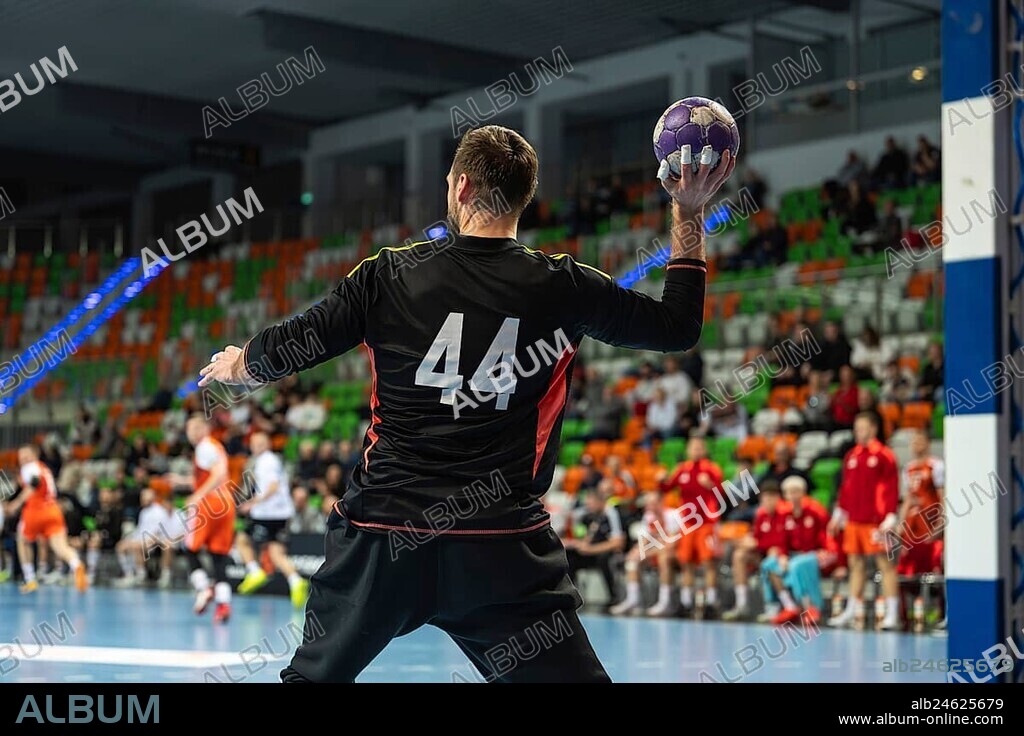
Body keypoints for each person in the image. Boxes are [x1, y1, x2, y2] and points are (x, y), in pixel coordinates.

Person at [199, 124, 733, 683]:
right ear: (525, 197)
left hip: (385, 535)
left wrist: (242, 362)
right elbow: (677, 328)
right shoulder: (564, 286)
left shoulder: (389, 274)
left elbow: (299, 341)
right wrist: (688, 210)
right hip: (500, 545)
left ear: (460, 188)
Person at [827, 413, 900, 630]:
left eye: (862, 428)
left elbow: (891, 486)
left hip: (875, 522)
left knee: (885, 565)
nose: (858, 431)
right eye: (856, 428)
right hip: (854, 521)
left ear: (874, 429)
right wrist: (838, 514)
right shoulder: (851, 455)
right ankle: (851, 610)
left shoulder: (884, 455)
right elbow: (846, 489)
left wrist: (890, 516)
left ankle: (892, 613)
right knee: (855, 565)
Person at [169, 416, 236, 623]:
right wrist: (181, 481)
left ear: (205, 428)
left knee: (189, 548)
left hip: (209, 504)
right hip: (226, 503)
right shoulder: (216, 447)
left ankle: (203, 588)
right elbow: (213, 476)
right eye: (190, 428)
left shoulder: (204, 447)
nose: (193, 432)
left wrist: (198, 496)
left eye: (197, 427)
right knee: (218, 556)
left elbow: (218, 474)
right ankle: (223, 605)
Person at [236, 431, 310, 608]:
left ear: (267, 444)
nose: (255, 447)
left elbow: (273, 486)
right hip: (282, 513)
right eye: (253, 443)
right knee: (276, 552)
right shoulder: (271, 460)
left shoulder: (266, 461)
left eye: (260, 443)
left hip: (267, 514)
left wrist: (252, 503)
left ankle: (254, 572)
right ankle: (296, 581)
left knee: (242, 539)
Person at [658, 437, 725, 618]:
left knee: (709, 563)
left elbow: (724, 495)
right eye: (692, 447)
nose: (695, 450)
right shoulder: (682, 469)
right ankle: (686, 603)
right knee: (686, 562)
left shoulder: (711, 469)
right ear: (688, 450)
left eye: (699, 447)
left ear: (704, 450)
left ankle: (711, 603)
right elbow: (666, 488)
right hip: (688, 524)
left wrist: (711, 485)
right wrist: (662, 480)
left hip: (707, 523)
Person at [7, 446, 88, 593]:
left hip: (35, 510)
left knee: (22, 540)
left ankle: (30, 578)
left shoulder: (29, 468)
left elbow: (34, 483)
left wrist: (16, 504)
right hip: (53, 510)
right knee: (60, 547)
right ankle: (77, 564)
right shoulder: (45, 469)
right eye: (21, 457)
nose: (23, 460)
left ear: (34, 455)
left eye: (25, 456)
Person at [761, 476, 829, 625]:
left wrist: (827, 551)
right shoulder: (784, 514)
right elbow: (782, 540)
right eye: (789, 493)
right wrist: (783, 555)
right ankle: (789, 606)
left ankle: (811, 607)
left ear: (803, 492)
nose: (792, 496)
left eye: (795, 492)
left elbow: (827, 534)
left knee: (798, 564)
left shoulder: (816, 511)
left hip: (817, 553)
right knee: (770, 564)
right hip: (794, 554)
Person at [722, 481, 788, 622]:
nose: (767, 501)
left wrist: (757, 543)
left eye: (771, 498)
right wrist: (747, 541)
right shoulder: (761, 515)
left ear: (778, 498)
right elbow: (757, 537)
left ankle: (776, 605)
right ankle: (742, 604)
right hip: (762, 554)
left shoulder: (784, 513)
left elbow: (781, 542)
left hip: (781, 556)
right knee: (740, 555)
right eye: (764, 498)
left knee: (772, 557)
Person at [563, 489, 626, 608]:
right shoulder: (593, 516)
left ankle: (614, 597)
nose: (588, 506)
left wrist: (591, 549)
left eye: (590, 503)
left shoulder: (612, 514)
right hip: (594, 552)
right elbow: (588, 538)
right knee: (569, 556)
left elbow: (617, 543)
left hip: (611, 553)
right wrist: (577, 544)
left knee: (604, 558)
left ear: (600, 502)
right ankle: (570, 596)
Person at [896, 429, 944, 577]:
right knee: (908, 570)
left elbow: (943, 497)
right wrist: (900, 525)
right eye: (914, 442)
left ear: (928, 444)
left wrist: (940, 524)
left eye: (920, 441)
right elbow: (907, 500)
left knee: (932, 567)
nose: (916, 445)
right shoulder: (908, 468)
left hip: (930, 520)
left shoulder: (936, 465)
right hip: (913, 524)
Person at [114, 487, 175, 588]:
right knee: (121, 546)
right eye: (142, 496)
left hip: (156, 541)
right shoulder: (143, 512)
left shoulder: (159, 512)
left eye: (144, 496)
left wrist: (143, 540)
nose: (142, 499)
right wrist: (130, 539)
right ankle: (129, 574)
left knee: (137, 546)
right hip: (141, 539)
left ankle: (141, 575)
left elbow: (159, 532)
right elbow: (140, 530)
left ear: (152, 497)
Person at [85, 487, 123, 584]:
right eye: (102, 494)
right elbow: (94, 527)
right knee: (88, 538)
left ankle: (91, 573)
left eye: (106, 494)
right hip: (98, 538)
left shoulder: (116, 512)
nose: (104, 497)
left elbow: (116, 531)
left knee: (95, 540)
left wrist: (102, 534)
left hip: (112, 539)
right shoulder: (98, 511)